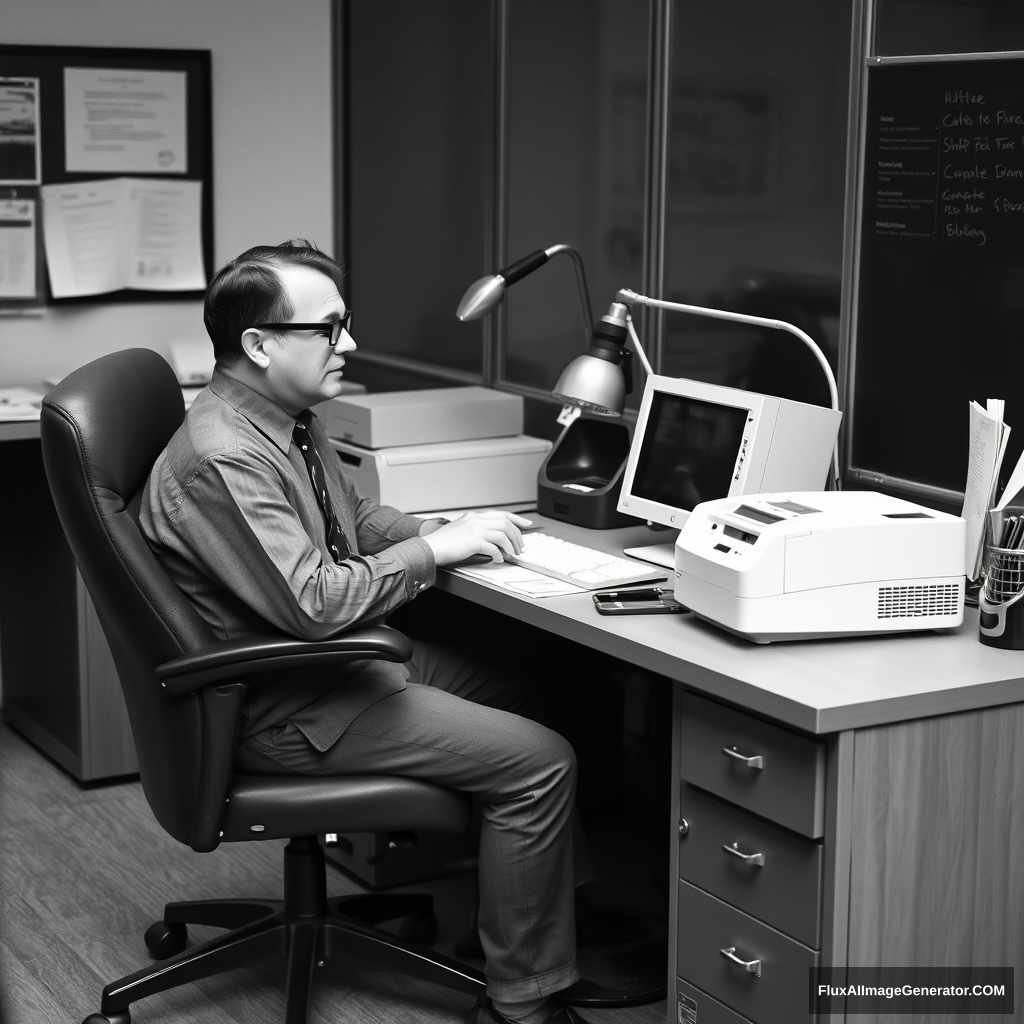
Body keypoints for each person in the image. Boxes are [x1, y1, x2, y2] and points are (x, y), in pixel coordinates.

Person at [140, 240, 594, 1024]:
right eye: (329, 328)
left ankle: (543, 921)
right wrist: (431, 555)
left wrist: (448, 528)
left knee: (542, 686)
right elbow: (314, 602)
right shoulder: (223, 458)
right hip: (289, 704)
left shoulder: (288, 419)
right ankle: (523, 1001)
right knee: (541, 763)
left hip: (333, 672)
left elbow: (351, 521)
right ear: (259, 343)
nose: (348, 343)